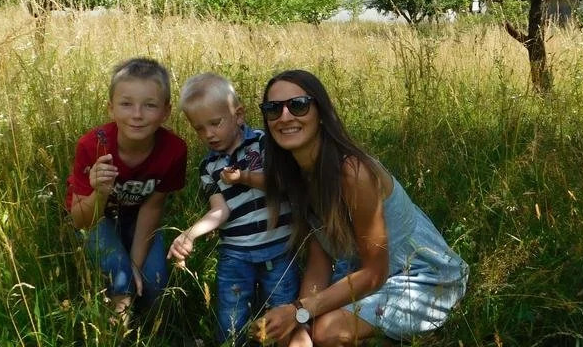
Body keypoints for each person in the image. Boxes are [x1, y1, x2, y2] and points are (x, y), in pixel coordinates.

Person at [253, 70, 468, 347]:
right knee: (293, 336)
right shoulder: (297, 175)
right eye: (273, 109)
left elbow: (375, 273)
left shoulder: (353, 173)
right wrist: (302, 321)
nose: (284, 117)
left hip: (419, 276)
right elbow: (320, 259)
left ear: (321, 113)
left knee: (326, 332)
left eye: (298, 105)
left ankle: (417, 336)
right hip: (361, 273)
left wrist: (299, 311)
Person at [168, 72, 301, 346]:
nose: (208, 134)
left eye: (215, 123)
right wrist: (190, 234)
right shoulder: (209, 166)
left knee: (283, 314)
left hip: (278, 249)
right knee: (231, 319)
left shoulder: (264, 143)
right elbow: (220, 211)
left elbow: (284, 184)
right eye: (199, 128)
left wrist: (244, 178)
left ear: (238, 115)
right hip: (236, 254)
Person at [64, 57, 188, 320]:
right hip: (97, 217)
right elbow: (80, 220)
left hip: (138, 217)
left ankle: (154, 331)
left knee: (154, 281)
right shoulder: (92, 146)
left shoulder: (174, 150)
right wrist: (100, 192)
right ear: (111, 108)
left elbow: (153, 206)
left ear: (166, 112)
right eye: (126, 104)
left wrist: (135, 265)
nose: (137, 115)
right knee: (119, 277)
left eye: (150, 105)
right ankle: (118, 330)